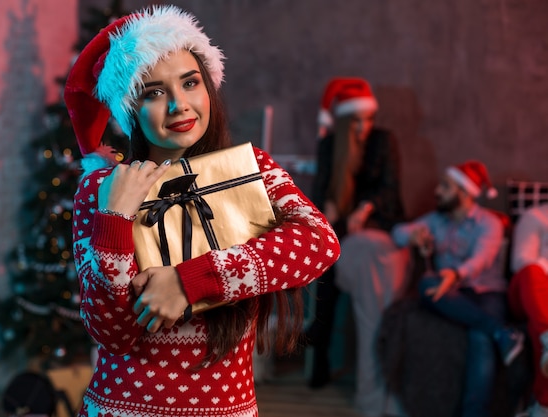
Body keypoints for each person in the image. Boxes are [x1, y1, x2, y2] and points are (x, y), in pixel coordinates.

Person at [64, 5, 340, 417]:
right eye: (153, 92)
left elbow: (319, 243)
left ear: (208, 86)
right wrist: (115, 220)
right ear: (130, 110)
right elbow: (113, 333)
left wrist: (190, 281)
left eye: (190, 83)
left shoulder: (253, 170)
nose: (179, 105)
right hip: (122, 409)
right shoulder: (101, 188)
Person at [391, 160, 525, 417]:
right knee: (427, 284)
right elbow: (397, 232)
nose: (437, 191)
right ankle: (502, 333)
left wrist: (455, 274)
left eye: (445, 186)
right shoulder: (436, 220)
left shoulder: (489, 223)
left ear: (463, 193)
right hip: (452, 294)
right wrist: (413, 236)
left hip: (487, 292)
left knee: (480, 338)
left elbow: (482, 258)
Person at [304, 76, 407, 406]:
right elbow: (319, 195)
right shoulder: (329, 145)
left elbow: (390, 190)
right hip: (340, 229)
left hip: (377, 221)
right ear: (346, 122)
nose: (364, 127)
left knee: (330, 267)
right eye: (357, 121)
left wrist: (365, 208)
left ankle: (317, 339)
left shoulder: (383, 141)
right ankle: (319, 351)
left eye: (368, 120)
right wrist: (329, 210)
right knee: (326, 262)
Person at [508, 204, 548, 417]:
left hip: (541, 312)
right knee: (532, 273)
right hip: (527, 288)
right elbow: (520, 263)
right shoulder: (535, 217)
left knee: (541, 319)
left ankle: (543, 407)